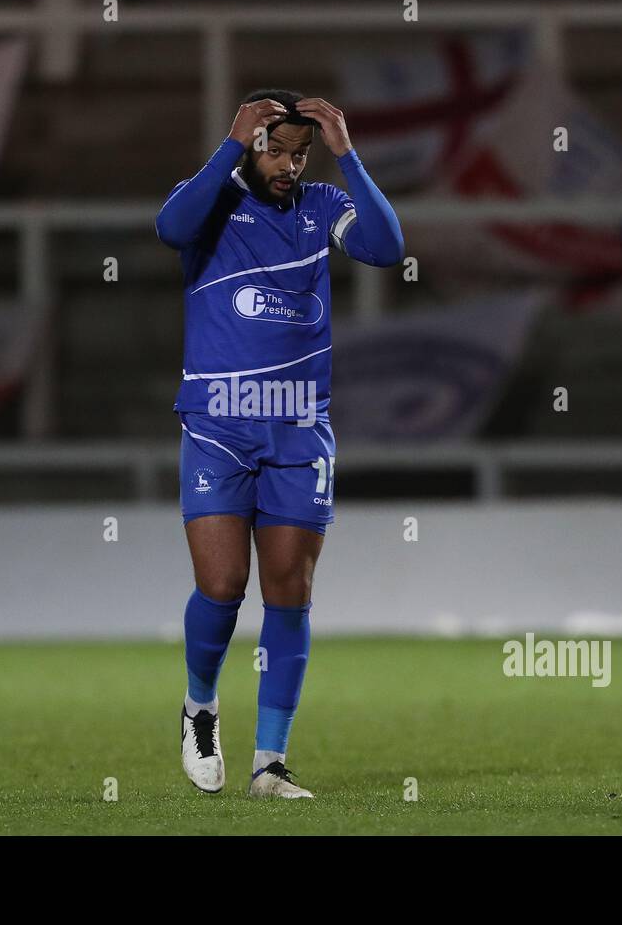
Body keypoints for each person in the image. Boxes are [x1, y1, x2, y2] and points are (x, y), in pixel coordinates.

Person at [156, 89, 404, 798]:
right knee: (223, 584)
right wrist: (233, 143)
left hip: (299, 427)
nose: (290, 165)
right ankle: (200, 707)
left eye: (301, 152)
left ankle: (269, 765)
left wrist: (348, 151)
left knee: (288, 590)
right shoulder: (211, 203)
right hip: (218, 424)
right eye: (277, 149)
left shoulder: (323, 206)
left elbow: (387, 248)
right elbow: (170, 229)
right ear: (249, 143)